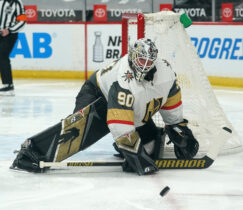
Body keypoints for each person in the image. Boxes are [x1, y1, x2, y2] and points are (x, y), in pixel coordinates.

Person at [10, 38, 199, 175]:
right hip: (97, 91)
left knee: (152, 148)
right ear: (133, 57)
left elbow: (171, 100)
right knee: (76, 129)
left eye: (150, 61)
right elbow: (119, 122)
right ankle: (32, 151)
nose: (146, 65)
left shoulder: (166, 72)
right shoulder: (125, 79)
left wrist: (177, 126)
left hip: (130, 107)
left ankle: (121, 147)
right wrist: (132, 151)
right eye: (142, 60)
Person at [0, 0, 27, 96]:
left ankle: (8, 85)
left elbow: (23, 21)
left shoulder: (17, 2)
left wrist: (9, 30)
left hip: (9, 35)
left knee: (2, 56)